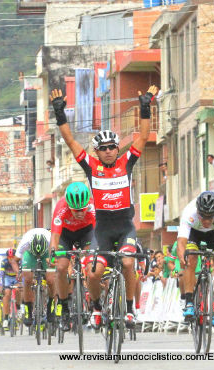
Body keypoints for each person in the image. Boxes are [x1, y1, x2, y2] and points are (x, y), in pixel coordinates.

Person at [50, 85, 158, 329]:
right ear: (96, 152)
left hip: (125, 226)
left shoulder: (127, 162)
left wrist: (145, 106)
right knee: (94, 273)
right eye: (103, 148)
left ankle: (129, 310)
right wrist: (59, 112)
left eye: (112, 147)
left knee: (129, 263)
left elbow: (142, 135)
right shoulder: (91, 167)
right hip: (101, 229)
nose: (108, 151)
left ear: (117, 149)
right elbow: (69, 139)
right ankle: (97, 306)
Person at [177, 191, 214, 327]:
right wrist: (182, 258)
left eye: (211, 217)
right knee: (190, 258)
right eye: (203, 216)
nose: (207, 221)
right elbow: (181, 242)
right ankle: (189, 302)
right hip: (194, 233)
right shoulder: (189, 213)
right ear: (198, 211)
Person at [49, 182, 96, 331]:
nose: (80, 213)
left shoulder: (93, 206)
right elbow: (55, 237)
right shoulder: (60, 207)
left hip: (87, 232)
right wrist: (52, 255)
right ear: (69, 205)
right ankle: (63, 306)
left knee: (91, 265)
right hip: (66, 235)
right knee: (62, 267)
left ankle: (94, 301)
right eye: (76, 210)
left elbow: (99, 231)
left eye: (82, 209)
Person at [11, 228, 54, 328]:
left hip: (46, 253)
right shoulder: (25, 243)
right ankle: (28, 310)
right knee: (27, 280)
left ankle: (50, 305)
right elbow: (14, 261)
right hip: (29, 254)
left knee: (51, 280)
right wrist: (18, 273)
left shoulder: (50, 240)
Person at [0, 248, 20, 330]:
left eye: (12, 257)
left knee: (19, 289)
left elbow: (21, 274)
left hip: (16, 278)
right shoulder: (4, 262)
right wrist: (1, 285)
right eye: (9, 257)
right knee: (7, 294)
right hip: (7, 278)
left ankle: (18, 307)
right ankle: (5, 318)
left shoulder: (19, 261)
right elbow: (2, 275)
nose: (11, 259)